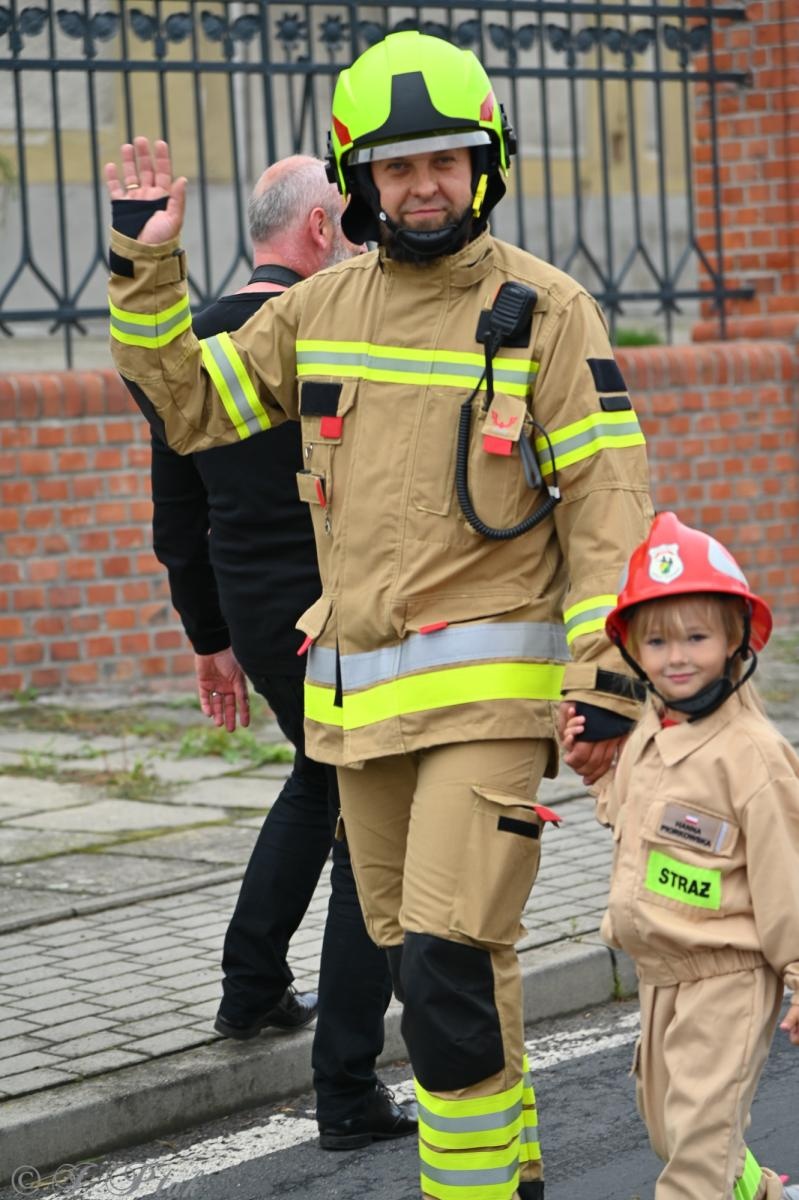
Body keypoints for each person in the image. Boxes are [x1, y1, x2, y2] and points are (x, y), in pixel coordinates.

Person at [104, 30, 653, 1200]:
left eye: (446, 161)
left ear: (484, 164)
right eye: (399, 167)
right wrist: (146, 269)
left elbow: (610, 503)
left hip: (489, 709)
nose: (424, 186)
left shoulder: (549, 312)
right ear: (359, 182)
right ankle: (511, 1172)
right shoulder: (322, 308)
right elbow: (191, 409)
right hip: (362, 711)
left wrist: (606, 679)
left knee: (447, 964)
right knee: (436, 964)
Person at [138, 156, 416, 1149]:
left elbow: (178, 515)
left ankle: (252, 987)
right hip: (336, 614)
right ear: (315, 231)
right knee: (370, 828)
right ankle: (345, 1083)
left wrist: (209, 639)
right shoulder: (329, 327)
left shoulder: (199, 341)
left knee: (318, 777)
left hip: (255, 617)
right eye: (346, 223)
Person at [561, 511, 799, 1200]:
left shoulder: (751, 755)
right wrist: (593, 775)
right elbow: (633, 818)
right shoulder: (647, 734)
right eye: (658, 640)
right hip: (660, 973)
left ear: (734, 640)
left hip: (726, 976)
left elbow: (787, 876)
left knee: (694, 1159)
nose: (676, 657)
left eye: (696, 637)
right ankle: (759, 1192)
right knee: (674, 1130)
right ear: (634, 650)